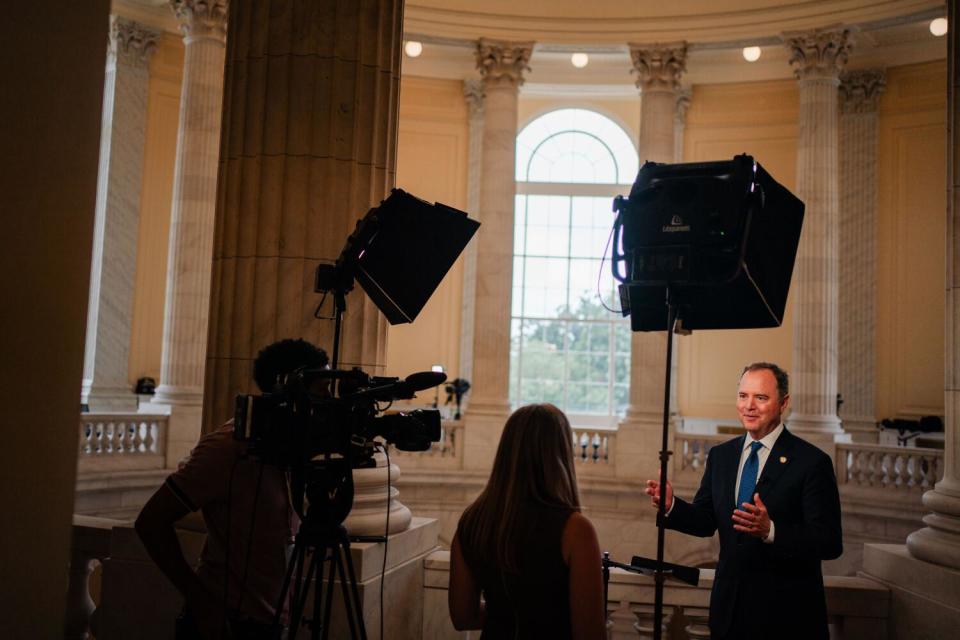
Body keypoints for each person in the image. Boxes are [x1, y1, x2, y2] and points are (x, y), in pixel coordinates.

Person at [135, 339, 329, 640]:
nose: (329, 402)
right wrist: (199, 599)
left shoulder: (290, 449)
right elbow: (150, 522)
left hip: (274, 623)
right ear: (288, 389)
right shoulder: (228, 448)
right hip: (227, 624)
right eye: (321, 391)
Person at [645, 362, 842, 640]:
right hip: (730, 614)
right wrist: (671, 506)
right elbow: (705, 521)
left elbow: (830, 541)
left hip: (787, 618)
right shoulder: (721, 456)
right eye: (743, 396)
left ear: (783, 402)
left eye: (761, 398)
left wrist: (771, 531)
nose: (749, 405)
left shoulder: (812, 463)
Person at [448, 403, 607, 640]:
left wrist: (504, 616)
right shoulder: (576, 531)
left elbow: (462, 617)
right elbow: (589, 634)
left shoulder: (472, 523)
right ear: (560, 454)